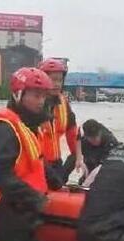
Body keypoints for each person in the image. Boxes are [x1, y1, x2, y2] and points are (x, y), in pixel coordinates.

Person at [0, 67, 53, 241]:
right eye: (36, 95)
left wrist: (56, 183)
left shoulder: (28, 125)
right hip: (8, 206)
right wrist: (33, 197)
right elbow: (0, 175)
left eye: (43, 96)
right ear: (19, 94)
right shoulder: (5, 129)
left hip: (23, 202)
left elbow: (36, 161)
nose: (41, 101)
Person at [38, 58, 80, 189]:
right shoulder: (33, 105)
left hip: (56, 163)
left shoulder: (64, 104)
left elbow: (73, 134)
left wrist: (78, 158)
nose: (56, 84)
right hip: (38, 164)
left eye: (59, 80)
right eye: (52, 79)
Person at [63, 119, 119, 183]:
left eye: (96, 138)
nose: (95, 141)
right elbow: (78, 137)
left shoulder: (110, 141)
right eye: (92, 139)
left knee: (96, 172)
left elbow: (110, 165)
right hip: (89, 148)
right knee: (72, 158)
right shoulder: (83, 133)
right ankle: (61, 180)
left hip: (103, 155)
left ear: (100, 133)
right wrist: (78, 158)